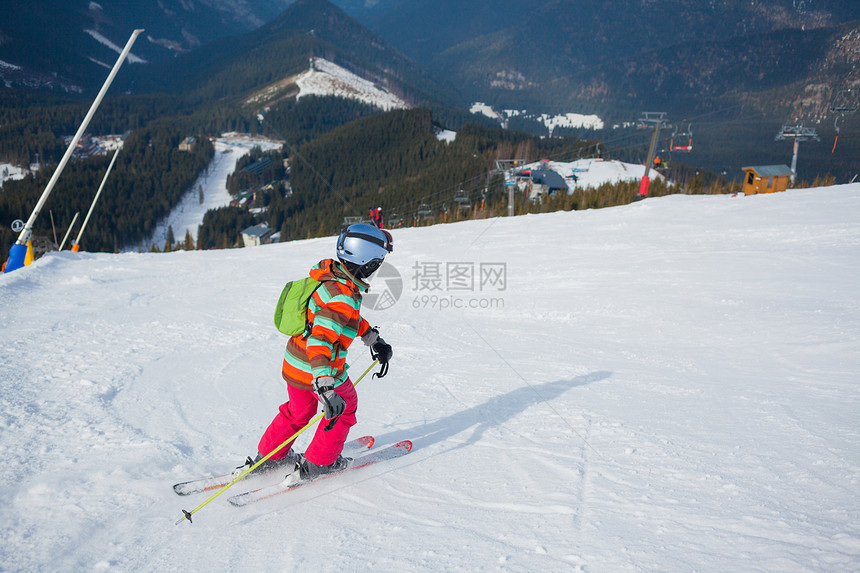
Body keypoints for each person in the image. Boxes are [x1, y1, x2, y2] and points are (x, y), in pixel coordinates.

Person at [238, 223, 394, 482]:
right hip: (321, 370)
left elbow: (343, 320)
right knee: (344, 408)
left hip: (295, 364)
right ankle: (321, 463)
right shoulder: (342, 297)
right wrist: (325, 385)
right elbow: (322, 339)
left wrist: (372, 338)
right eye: (377, 263)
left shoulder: (332, 280)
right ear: (367, 264)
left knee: (297, 412)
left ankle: (269, 456)